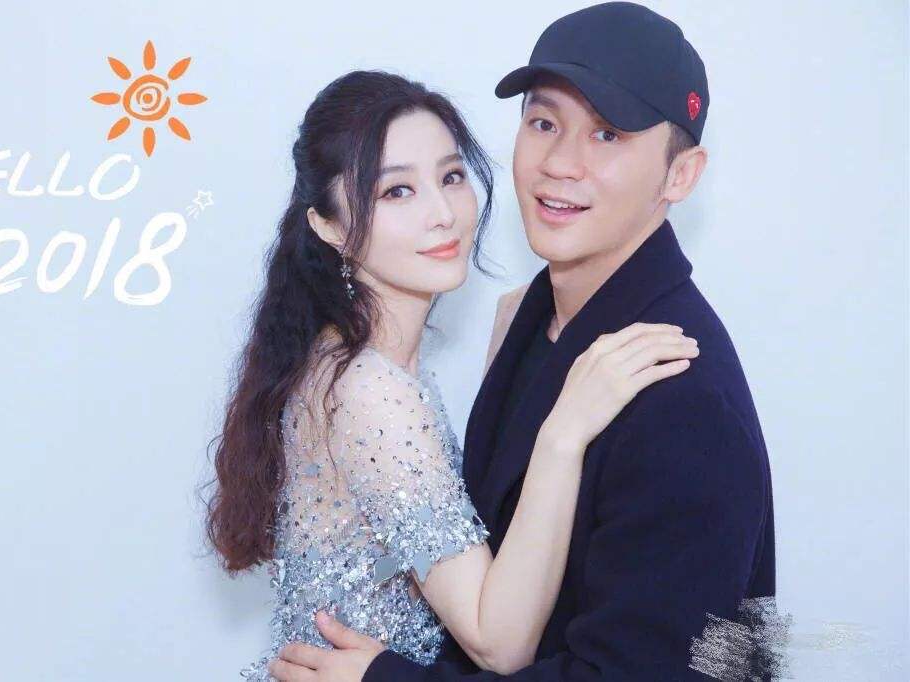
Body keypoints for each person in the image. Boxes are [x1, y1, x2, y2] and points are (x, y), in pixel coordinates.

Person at [267, 3, 789, 681]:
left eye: (607, 135)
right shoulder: (527, 319)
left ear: (680, 175)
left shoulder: (681, 395)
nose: (560, 164)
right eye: (543, 123)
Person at [202, 68, 698, 681]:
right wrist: (562, 433)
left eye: (451, 177)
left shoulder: (362, 359)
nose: (442, 214)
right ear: (328, 226)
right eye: (396, 192)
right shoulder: (370, 391)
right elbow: (499, 644)